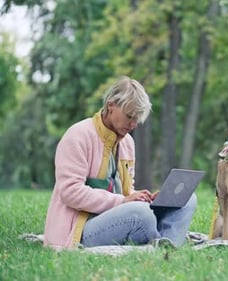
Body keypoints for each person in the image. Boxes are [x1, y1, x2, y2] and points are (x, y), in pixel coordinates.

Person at [43, 76, 197, 250]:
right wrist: (124, 201)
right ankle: (161, 239)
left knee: (187, 198)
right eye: (129, 116)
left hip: (118, 218)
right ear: (111, 106)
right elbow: (70, 192)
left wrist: (143, 197)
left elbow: (125, 191)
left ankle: (165, 244)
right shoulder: (77, 135)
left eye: (137, 119)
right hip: (81, 229)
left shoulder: (127, 143)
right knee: (140, 214)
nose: (133, 124)